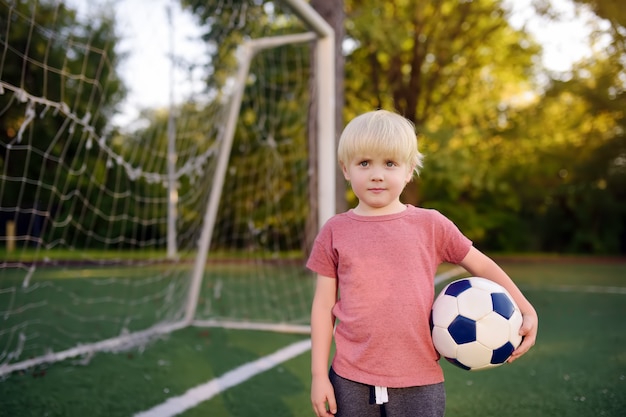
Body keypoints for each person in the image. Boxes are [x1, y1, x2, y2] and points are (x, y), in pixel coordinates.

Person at [306, 109, 538, 417]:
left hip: (419, 380)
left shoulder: (431, 225)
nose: (377, 174)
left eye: (389, 163)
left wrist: (524, 307)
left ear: (409, 170)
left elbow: (482, 266)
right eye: (364, 163)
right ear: (346, 169)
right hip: (350, 378)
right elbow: (323, 307)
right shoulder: (335, 231)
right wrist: (319, 376)